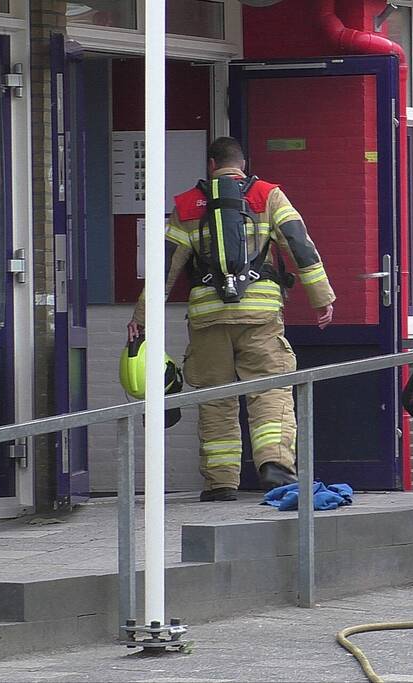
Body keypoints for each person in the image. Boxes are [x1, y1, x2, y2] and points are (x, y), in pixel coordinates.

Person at [129, 136, 336, 502]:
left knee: (216, 398)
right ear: (243, 164)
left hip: (208, 317)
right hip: (260, 314)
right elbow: (300, 245)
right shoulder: (268, 196)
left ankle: (221, 482)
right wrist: (321, 298)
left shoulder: (187, 205)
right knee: (270, 390)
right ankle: (275, 466)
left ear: (211, 165)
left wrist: (142, 318)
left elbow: (165, 268)